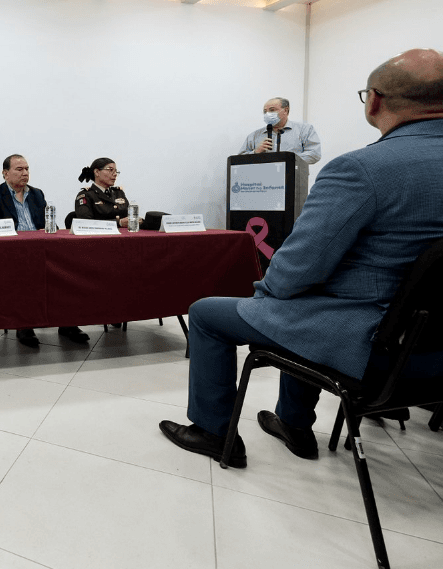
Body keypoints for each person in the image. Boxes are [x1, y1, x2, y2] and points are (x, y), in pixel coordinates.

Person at [161, 49, 443, 467]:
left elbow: (296, 270)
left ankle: (213, 432)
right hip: (432, 350)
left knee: (208, 312)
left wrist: (267, 293)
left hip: (371, 344)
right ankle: (292, 422)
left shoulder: (361, 169)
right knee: (303, 301)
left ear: (374, 101)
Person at [0, 154, 88, 347]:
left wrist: (52, 231)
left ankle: (67, 323)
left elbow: (50, 225)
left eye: (27, 169)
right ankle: (25, 326)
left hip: (41, 248)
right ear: (5, 173)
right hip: (12, 253)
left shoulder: (37, 194)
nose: (25, 173)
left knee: (66, 272)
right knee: (24, 275)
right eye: (19, 169)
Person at [238, 97, 322, 163]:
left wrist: (287, 159)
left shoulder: (304, 130)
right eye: (265, 111)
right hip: (261, 180)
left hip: (293, 179)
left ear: (285, 110)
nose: (267, 114)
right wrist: (256, 152)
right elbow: (239, 160)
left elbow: (314, 154)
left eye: (272, 110)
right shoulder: (254, 135)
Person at [73, 157, 140, 228]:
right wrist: (118, 223)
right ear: (97, 172)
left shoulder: (118, 193)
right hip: (99, 237)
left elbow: (129, 217)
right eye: (110, 170)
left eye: (116, 171)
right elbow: (86, 224)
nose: (115, 174)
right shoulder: (86, 195)